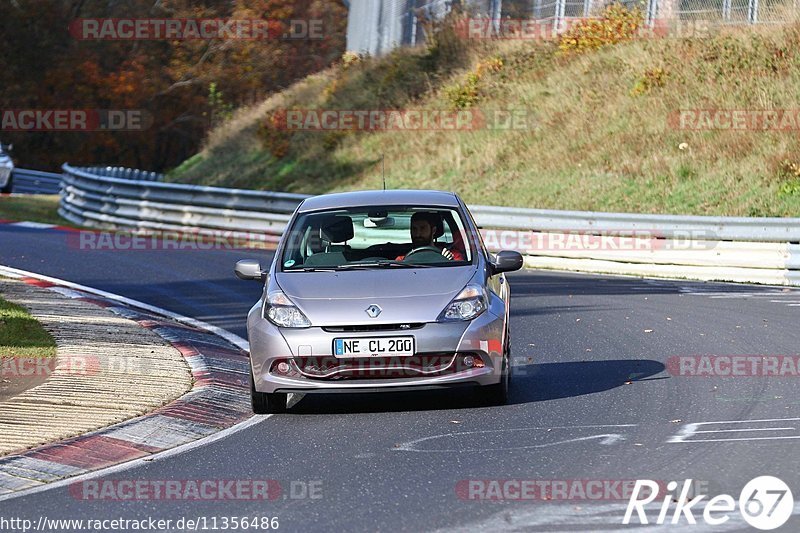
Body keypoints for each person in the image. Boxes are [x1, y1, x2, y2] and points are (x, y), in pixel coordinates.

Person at [396, 211, 465, 261]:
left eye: (423, 228)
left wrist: (449, 261)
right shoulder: (402, 260)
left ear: (433, 230)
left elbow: (461, 274)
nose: (417, 234)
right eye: (414, 229)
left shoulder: (451, 256)